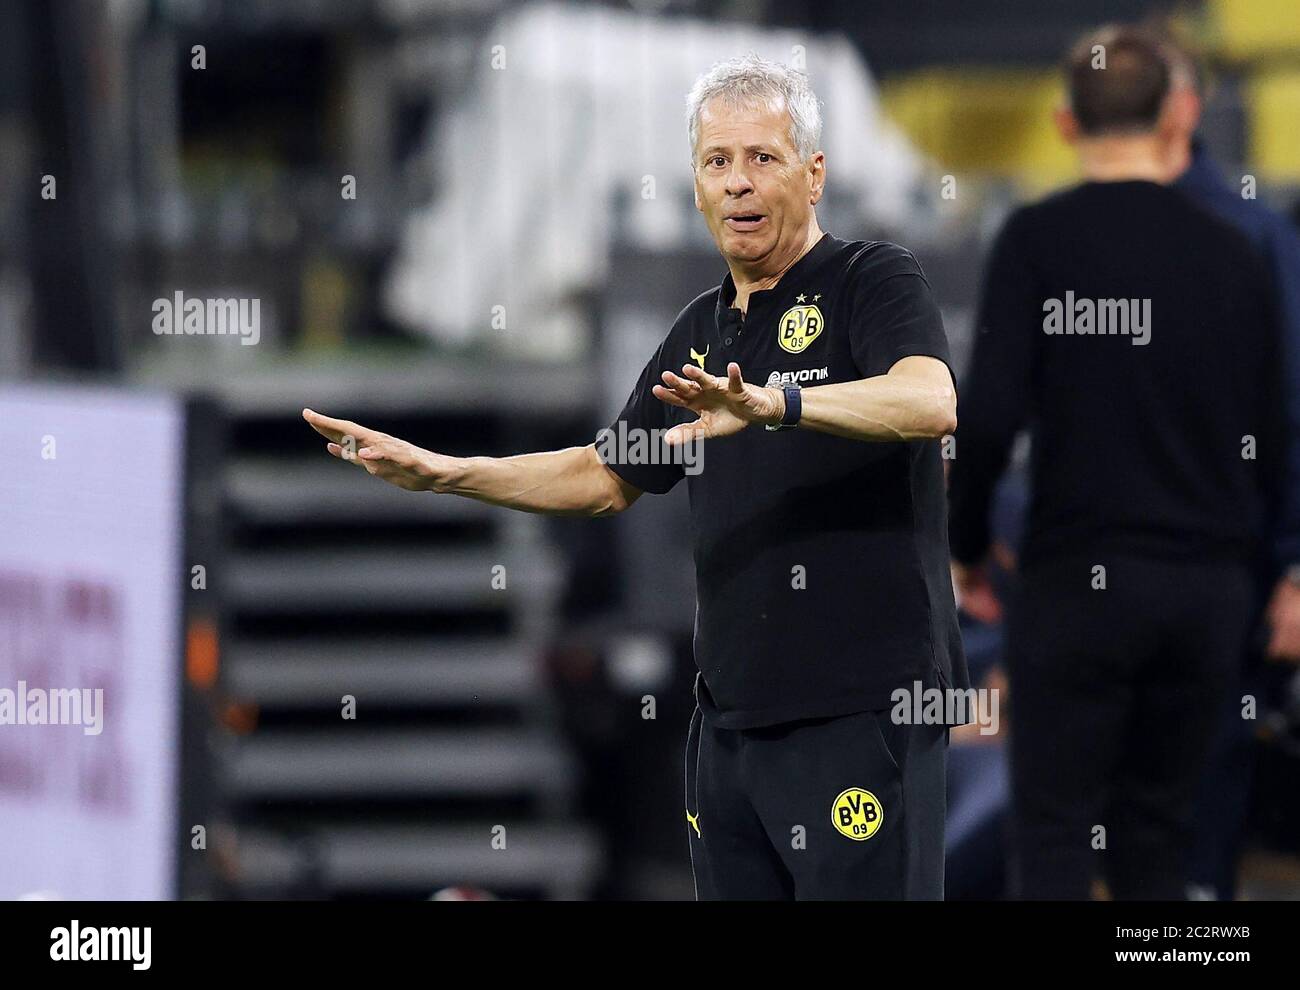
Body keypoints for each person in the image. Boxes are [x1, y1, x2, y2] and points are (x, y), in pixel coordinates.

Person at [304, 53, 970, 899]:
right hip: (729, 727)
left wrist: (782, 405)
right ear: (695, 184)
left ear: (814, 173)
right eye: (716, 162)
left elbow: (930, 398)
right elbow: (604, 475)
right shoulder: (699, 329)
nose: (737, 184)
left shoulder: (871, 279)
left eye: (762, 159)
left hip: (864, 712)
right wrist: (447, 473)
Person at [947, 25, 1285, 900]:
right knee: (1162, 845)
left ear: (1064, 124)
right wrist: (1284, 572)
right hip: (1208, 595)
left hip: (1077, 587)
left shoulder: (1036, 240)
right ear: (1175, 114)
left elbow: (984, 419)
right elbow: (1279, 431)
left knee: (1054, 835)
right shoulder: (1237, 251)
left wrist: (970, 548)